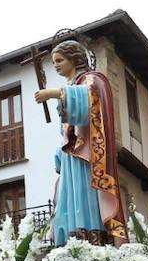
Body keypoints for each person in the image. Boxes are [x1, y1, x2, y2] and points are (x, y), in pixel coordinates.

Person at [34, 38, 127, 246]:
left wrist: (55, 93)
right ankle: (72, 241)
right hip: (71, 155)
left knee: (84, 196)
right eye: (54, 61)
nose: (56, 65)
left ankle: (91, 238)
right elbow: (69, 128)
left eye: (60, 60)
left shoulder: (92, 79)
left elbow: (88, 103)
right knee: (68, 198)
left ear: (74, 59)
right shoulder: (73, 84)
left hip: (87, 157)